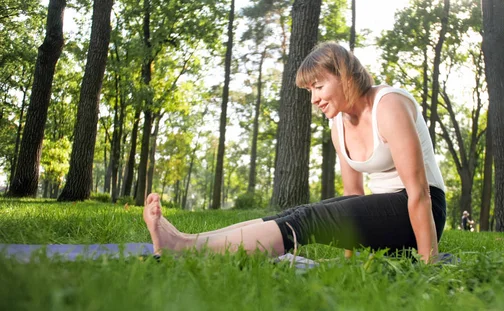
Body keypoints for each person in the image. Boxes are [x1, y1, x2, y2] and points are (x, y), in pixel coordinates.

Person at [143, 42, 446, 263]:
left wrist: (428, 262)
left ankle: (183, 250)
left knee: (310, 220)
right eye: (310, 91)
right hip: (387, 215)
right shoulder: (338, 125)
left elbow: (419, 193)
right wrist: (351, 261)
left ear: (345, 75)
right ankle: (185, 242)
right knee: (295, 215)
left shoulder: (388, 105)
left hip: (422, 214)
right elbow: (354, 197)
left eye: (319, 86)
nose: (314, 99)